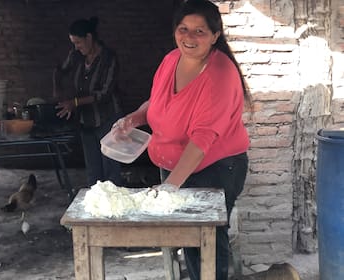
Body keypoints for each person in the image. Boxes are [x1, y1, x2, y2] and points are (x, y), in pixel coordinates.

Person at [111, 1, 250, 279]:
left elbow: (202, 141)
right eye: (183, 29)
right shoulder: (171, 59)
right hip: (177, 166)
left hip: (217, 168)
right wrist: (135, 118)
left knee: (207, 237)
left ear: (214, 35)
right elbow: (157, 101)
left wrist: (169, 186)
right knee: (189, 237)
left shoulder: (220, 75)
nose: (189, 37)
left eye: (200, 31)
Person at [54, 17, 123, 186]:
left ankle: (114, 208)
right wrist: (58, 88)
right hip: (86, 121)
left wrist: (75, 102)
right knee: (93, 172)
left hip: (107, 119)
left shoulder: (108, 58)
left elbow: (104, 94)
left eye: (78, 42)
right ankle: (96, 207)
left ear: (89, 38)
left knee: (111, 169)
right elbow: (61, 71)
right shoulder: (75, 56)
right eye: (73, 43)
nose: (76, 47)